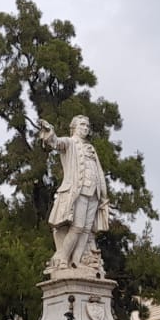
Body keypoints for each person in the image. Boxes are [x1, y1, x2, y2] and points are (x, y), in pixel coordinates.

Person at [38, 115, 111, 272]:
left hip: (94, 194)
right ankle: (63, 258)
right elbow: (56, 142)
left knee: (86, 229)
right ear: (74, 127)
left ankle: (76, 261)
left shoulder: (91, 148)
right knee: (77, 227)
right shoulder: (70, 142)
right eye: (82, 125)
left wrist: (103, 196)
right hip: (79, 192)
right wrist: (50, 132)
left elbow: (99, 172)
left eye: (87, 126)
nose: (85, 128)